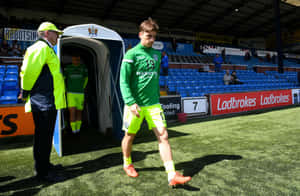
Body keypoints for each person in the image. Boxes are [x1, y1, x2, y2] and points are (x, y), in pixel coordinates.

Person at [119, 18, 191, 187]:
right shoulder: (131, 54)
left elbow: (156, 76)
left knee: (163, 136)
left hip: (153, 104)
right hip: (134, 105)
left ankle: (171, 174)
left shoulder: (157, 55)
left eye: (153, 37)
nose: (151, 40)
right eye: (148, 36)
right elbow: (123, 81)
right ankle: (127, 163)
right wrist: (130, 102)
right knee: (130, 136)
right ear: (140, 35)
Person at [20, 22, 66, 182]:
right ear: (47, 33)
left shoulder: (46, 48)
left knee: (44, 138)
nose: (58, 36)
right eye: (56, 33)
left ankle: (44, 165)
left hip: (47, 100)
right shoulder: (40, 48)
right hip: (43, 101)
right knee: (43, 138)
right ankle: (43, 172)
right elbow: (28, 72)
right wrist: (25, 92)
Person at [64, 55, 88, 134]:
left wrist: (83, 88)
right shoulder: (67, 68)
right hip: (71, 93)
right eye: (74, 58)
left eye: (78, 59)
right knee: (72, 111)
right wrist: (65, 89)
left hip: (80, 93)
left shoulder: (83, 68)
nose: (76, 60)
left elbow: (86, 78)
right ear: (72, 59)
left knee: (79, 112)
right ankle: (73, 130)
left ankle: (78, 130)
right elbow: (63, 79)